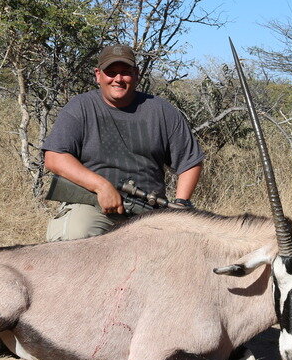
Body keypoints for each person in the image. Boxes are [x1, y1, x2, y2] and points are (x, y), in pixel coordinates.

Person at [41, 44, 204, 241]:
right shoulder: (80, 107)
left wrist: (181, 203)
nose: (118, 79)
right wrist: (101, 186)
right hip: (94, 205)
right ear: (98, 75)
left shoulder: (162, 110)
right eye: (111, 72)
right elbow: (54, 157)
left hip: (150, 210)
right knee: (77, 233)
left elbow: (190, 161)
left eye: (125, 72)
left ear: (136, 74)